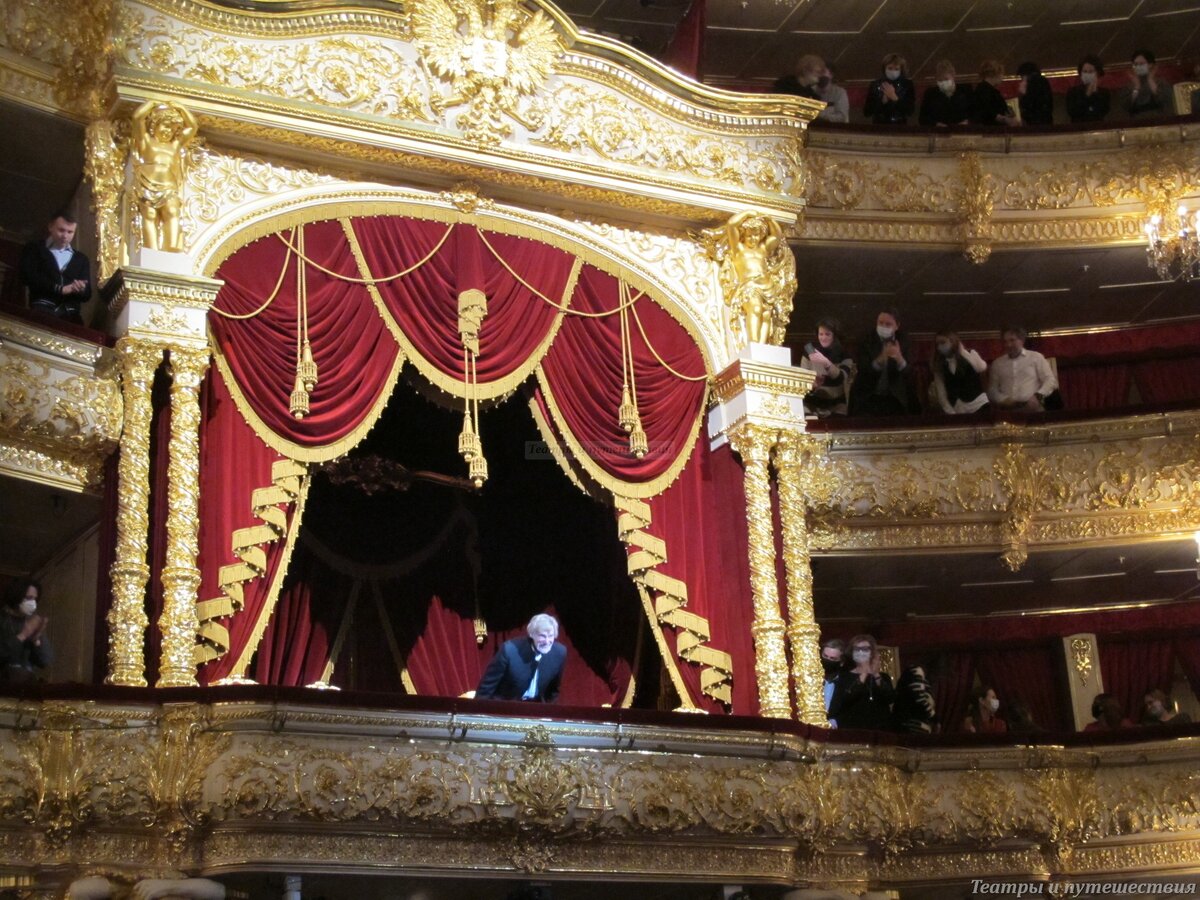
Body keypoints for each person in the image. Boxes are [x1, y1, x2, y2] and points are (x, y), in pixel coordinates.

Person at [131, 100, 198, 252]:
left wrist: (181, 108)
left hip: (168, 185)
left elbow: (192, 127)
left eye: (173, 129)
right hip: (147, 182)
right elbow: (137, 118)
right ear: (154, 126)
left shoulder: (174, 145)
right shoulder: (146, 142)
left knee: (172, 211)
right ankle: (151, 249)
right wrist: (152, 104)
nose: (169, 131)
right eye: (166, 126)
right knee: (149, 214)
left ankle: (171, 246)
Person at [18, 211, 91, 325]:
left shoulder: (81, 259)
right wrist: (59, 289)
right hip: (42, 308)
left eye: (70, 232)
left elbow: (87, 295)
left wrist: (80, 289)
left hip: (70, 315)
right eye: (61, 230)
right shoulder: (34, 249)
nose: (65, 236)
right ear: (50, 227)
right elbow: (26, 276)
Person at [475, 613, 566, 703]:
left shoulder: (559, 652)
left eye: (551, 636)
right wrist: (478, 713)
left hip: (535, 708)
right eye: (542, 636)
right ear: (531, 634)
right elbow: (486, 689)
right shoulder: (509, 651)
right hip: (506, 707)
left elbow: (553, 692)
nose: (547, 641)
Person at [849, 309, 917, 416]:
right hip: (868, 395)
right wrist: (880, 360)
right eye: (880, 323)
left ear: (897, 326)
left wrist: (899, 358)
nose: (883, 326)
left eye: (888, 324)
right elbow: (863, 370)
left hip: (895, 397)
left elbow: (910, 373)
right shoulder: (865, 340)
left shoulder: (904, 341)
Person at [829, 634, 895, 731]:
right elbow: (845, 700)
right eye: (857, 649)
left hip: (880, 729)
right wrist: (864, 672)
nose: (861, 652)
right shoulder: (844, 677)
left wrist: (875, 674)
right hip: (854, 729)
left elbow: (890, 697)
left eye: (865, 649)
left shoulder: (883, 677)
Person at [988, 326, 1058, 411]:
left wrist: (1038, 396)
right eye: (1005, 341)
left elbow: (1050, 380)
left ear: (1022, 340)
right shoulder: (997, 363)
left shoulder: (1036, 357)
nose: (1008, 345)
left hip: (1033, 408)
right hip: (1007, 410)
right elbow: (992, 390)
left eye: (1012, 340)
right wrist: (1003, 399)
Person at [0, 578, 52, 682]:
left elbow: (45, 661)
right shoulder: (2, 619)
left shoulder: (33, 622)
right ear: (16, 596)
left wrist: (36, 640)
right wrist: (23, 635)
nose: (33, 603)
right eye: (29, 598)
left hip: (27, 686)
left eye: (35, 599)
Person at [802, 318, 854, 416]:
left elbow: (841, 378)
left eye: (827, 334)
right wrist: (813, 384)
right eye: (821, 334)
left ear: (834, 335)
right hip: (812, 402)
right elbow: (803, 379)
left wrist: (826, 363)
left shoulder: (844, 354)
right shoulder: (809, 350)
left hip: (835, 403)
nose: (823, 338)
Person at [930, 331, 989, 414]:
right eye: (937, 344)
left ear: (952, 341)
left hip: (978, 404)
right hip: (958, 408)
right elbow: (941, 393)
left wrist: (961, 350)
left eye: (943, 342)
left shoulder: (969, 353)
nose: (940, 347)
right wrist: (950, 411)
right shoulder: (939, 365)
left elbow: (981, 368)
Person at [863, 54, 916, 125]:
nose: (893, 71)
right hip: (879, 125)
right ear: (884, 69)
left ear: (901, 70)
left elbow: (910, 111)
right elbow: (867, 112)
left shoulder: (907, 84)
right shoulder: (875, 84)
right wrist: (883, 101)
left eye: (896, 69)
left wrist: (895, 98)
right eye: (890, 68)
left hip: (900, 125)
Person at [1120, 49, 1174, 118]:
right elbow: (1126, 106)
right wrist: (1137, 86)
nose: (1138, 67)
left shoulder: (1161, 82)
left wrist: (1150, 80)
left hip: (1159, 119)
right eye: (1135, 64)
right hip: (1135, 122)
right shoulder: (1129, 86)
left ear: (1150, 65)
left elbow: (1166, 101)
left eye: (1141, 64)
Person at [919, 60, 972, 127]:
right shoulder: (930, 94)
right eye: (940, 80)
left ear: (953, 76)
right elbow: (922, 119)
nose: (943, 83)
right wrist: (936, 124)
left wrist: (967, 122)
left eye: (946, 79)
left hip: (963, 132)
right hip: (938, 132)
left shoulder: (965, 91)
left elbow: (974, 114)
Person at [892, 664, 937, 734]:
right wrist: (934, 717)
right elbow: (919, 697)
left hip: (907, 724)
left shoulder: (920, 676)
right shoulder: (917, 671)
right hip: (913, 725)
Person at [973, 60, 1019, 126]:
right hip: (992, 129)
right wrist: (1005, 119)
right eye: (1001, 74)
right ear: (995, 74)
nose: (1002, 77)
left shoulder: (983, 89)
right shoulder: (985, 90)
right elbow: (988, 112)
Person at [1066, 55, 1111, 123]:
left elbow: (1102, 112)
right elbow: (1073, 112)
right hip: (1078, 129)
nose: (1087, 74)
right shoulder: (1073, 92)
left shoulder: (1104, 93)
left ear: (1097, 73)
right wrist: (1087, 94)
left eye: (1091, 72)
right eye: (1085, 71)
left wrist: (1095, 92)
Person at [820, 637, 846, 722]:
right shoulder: (810, 679)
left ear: (841, 662)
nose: (828, 660)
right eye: (825, 656)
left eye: (832, 659)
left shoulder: (846, 684)